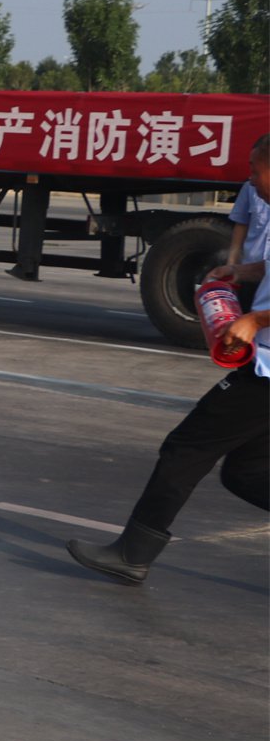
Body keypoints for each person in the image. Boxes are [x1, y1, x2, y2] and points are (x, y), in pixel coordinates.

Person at [66, 133, 270, 584]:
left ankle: (133, 552)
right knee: (246, 471)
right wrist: (241, 270)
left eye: (256, 170)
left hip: (266, 373)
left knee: (185, 448)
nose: (250, 179)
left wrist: (255, 322)